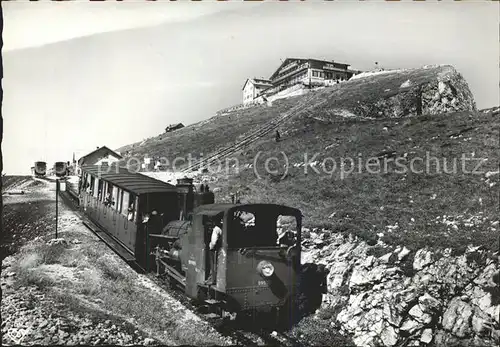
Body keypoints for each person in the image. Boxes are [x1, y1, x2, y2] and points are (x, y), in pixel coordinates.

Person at [206, 218, 223, 284]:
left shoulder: (216, 229)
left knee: (213, 264)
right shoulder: (221, 228)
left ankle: (212, 279)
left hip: (214, 249)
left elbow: (214, 241)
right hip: (219, 249)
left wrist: (211, 247)